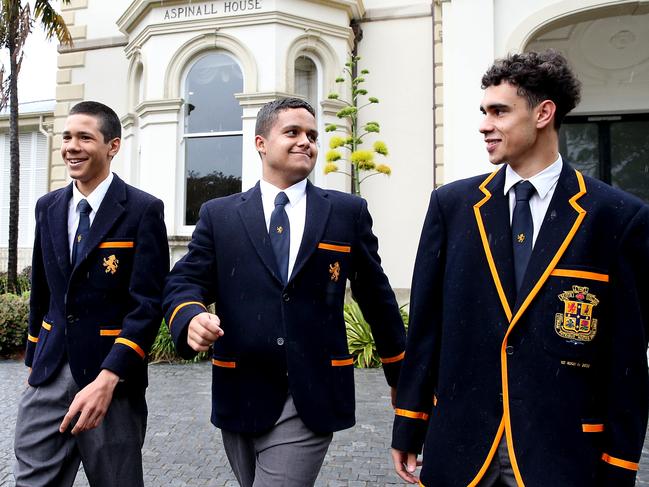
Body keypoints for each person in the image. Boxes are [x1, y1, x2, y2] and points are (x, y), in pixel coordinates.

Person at [391, 50, 649, 487]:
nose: (484, 124)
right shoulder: (452, 207)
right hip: (462, 446)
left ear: (544, 112)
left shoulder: (617, 217)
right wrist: (409, 422)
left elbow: (627, 354)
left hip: (562, 453)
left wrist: (620, 462)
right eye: (483, 111)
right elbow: (425, 328)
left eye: (499, 111)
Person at [164, 97, 406, 486]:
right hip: (239, 389)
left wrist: (400, 374)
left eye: (312, 135)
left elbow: (376, 296)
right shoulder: (220, 215)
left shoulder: (347, 212)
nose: (305, 142)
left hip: (310, 393)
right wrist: (190, 316)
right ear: (261, 143)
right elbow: (184, 281)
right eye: (292, 132)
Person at [14, 101, 169, 487]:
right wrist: (35, 357)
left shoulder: (142, 210)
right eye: (67, 137)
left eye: (85, 137)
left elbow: (147, 305)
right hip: (49, 375)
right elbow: (43, 292)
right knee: (32, 480)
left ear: (112, 146)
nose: (72, 146)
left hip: (110, 381)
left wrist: (110, 376)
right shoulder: (47, 207)